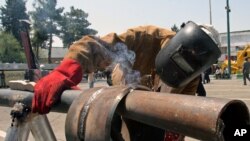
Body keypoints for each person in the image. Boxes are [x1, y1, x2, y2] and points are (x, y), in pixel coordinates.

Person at [32, 21, 220, 141]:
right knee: (117, 115)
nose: (186, 65)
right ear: (181, 43)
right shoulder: (147, 36)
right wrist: (67, 70)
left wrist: (173, 134)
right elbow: (97, 45)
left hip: (156, 99)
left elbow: (182, 108)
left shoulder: (192, 76)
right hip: (124, 81)